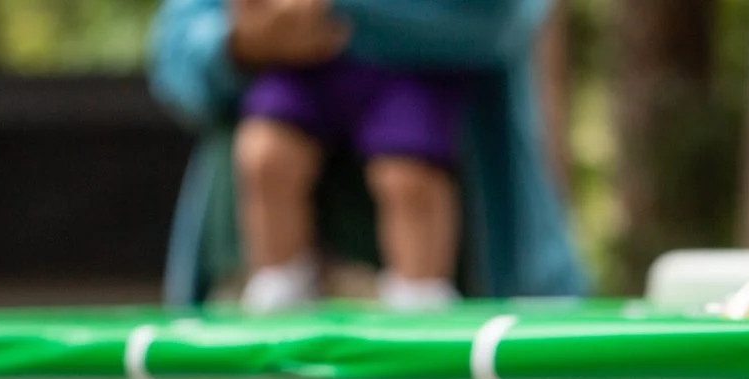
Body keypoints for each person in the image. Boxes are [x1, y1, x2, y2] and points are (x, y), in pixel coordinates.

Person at [145, 0, 584, 307]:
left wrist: (318, 10)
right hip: (252, 288)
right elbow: (176, 54)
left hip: (472, 276)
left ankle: (418, 297)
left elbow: (497, 17)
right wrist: (241, 41)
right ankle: (280, 282)